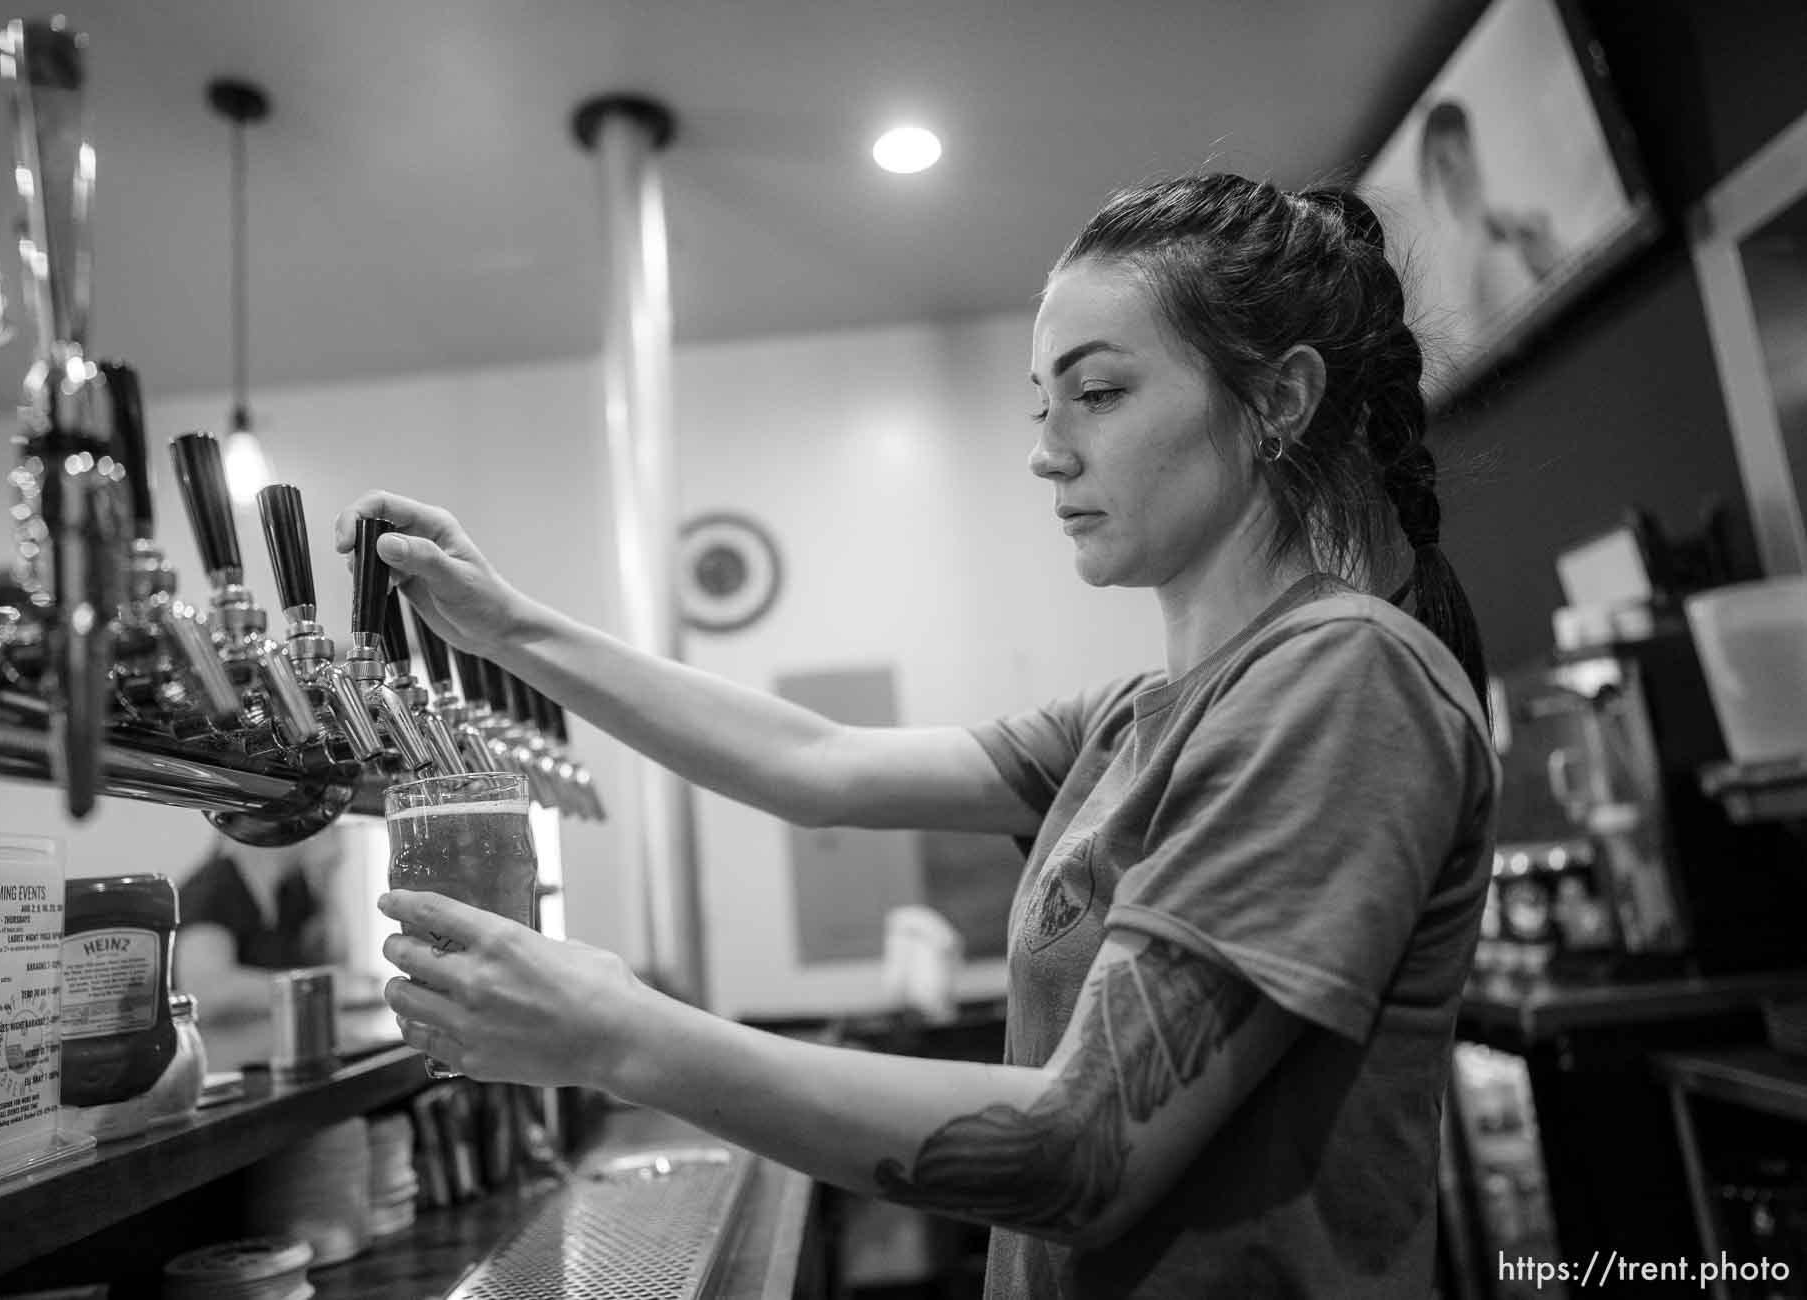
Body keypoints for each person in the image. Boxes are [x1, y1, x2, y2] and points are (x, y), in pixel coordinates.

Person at [336, 173, 1500, 1298]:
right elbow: (815, 765)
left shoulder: (1348, 679)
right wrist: (508, 626)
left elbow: (1079, 1147)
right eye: (1044, 403)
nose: (1049, 449)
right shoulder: (1130, 720)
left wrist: (614, 1032)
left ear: (1279, 402)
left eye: (1099, 393)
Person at [175, 826, 377, 1019]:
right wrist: (314, 989)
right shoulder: (213, 888)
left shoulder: (294, 890)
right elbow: (205, 991)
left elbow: (337, 964)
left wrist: (328, 881)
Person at [1417, 98, 1563, 348]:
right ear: (1430, 177)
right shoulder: (1446, 266)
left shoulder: (1521, 225)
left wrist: (1552, 264)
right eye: (1443, 161)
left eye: (1462, 145)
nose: (1458, 163)